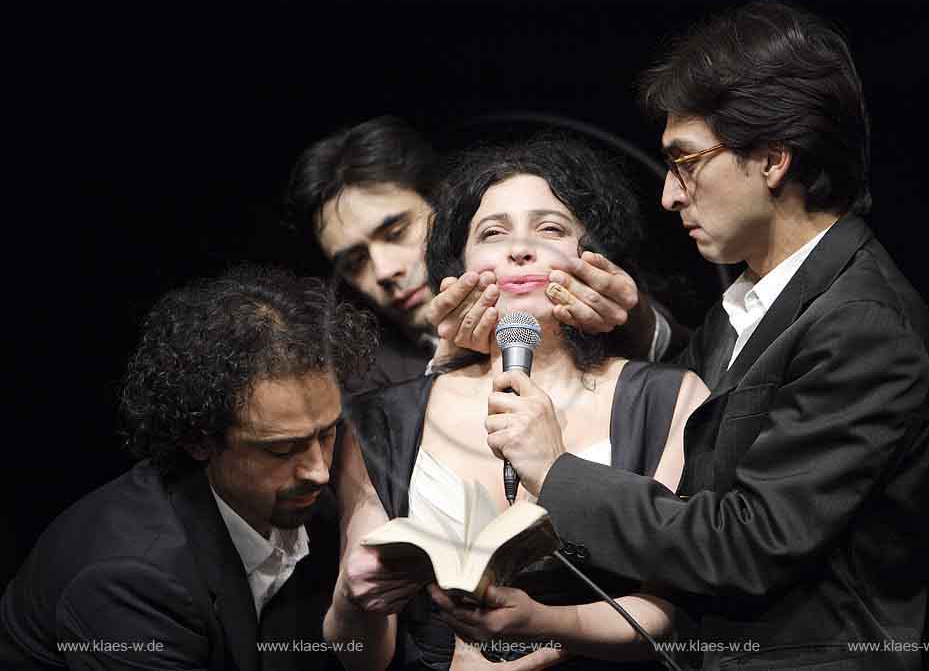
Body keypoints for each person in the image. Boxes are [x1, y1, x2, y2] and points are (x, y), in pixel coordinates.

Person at [450, 0, 929, 671]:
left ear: (771, 159)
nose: (670, 196)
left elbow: (746, 541)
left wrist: (557, 469)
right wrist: (638, 327)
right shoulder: (765, 292)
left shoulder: (863, 323)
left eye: (686, 163)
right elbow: (725, 407)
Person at [323, 135, 709, 670]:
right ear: (457, 263)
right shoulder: (380, 418)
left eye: (550, 228)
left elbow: (674, 603)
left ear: (589, 254)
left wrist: (548, 630)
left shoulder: (669, 397)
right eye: (492, 233)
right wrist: (350, 596)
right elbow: (360, 653)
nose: (519, 248)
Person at [0, 266, 377, 671]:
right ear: (199, 441)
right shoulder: (129, 582)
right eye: (282, 449)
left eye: (326, 433)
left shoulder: (307, 498)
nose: (319, 471)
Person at [287, 116, 688, 394]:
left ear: (449, 207)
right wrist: (448, 368)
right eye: (355, 262)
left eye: (396, 231)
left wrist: (635, 322)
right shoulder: (363, 377)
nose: (386, 270)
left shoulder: (568, 281)